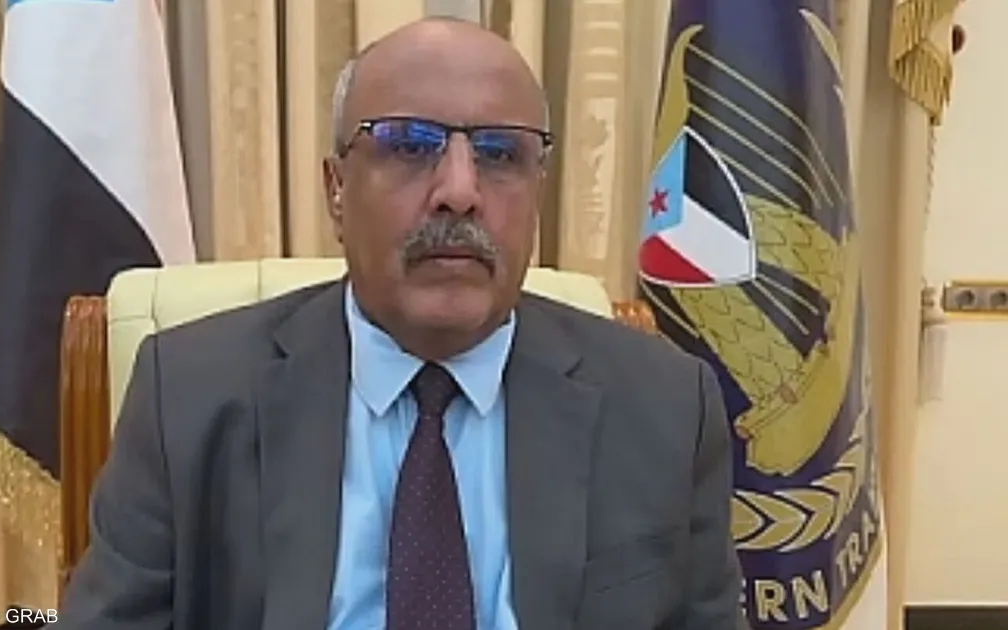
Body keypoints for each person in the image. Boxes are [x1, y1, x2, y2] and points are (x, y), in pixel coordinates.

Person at [50, 16, 745, 630]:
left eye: (501, 153)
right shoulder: (187, 398)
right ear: (336, 189)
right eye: (410, 146)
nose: (459, 192)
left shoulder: (664, 407)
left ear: (539, 190)